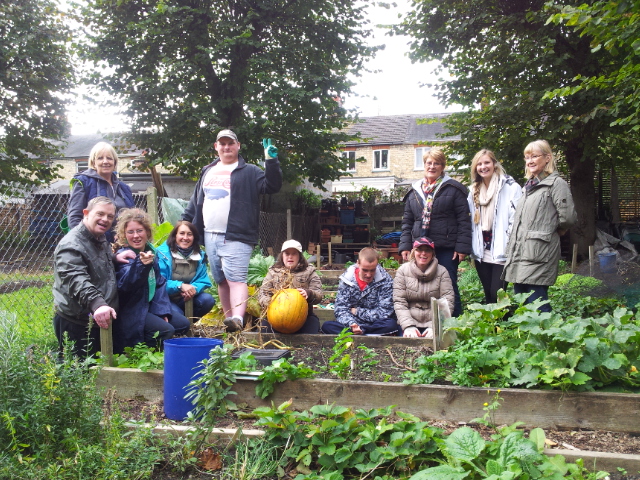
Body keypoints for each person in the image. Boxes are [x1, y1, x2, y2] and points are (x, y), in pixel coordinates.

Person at [182, 130, 282, 332]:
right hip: (210, 234)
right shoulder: (207, 170)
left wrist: (271, 160)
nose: (226, 147)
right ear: (216, 146)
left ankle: (237, 316)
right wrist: (184, 222)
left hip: (237, 234)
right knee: (221, 280)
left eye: (231, 143)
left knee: (236, 278)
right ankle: (231, 322)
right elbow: (196, 201)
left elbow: (272, 186)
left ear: (238, 146)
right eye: (223, 144)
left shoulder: (250, 171)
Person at [503, 140, 577, 312]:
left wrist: (556, 228)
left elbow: (568, 217)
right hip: (521, 251)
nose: (529, 161)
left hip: (539, 252)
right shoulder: (528, 186)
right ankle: (529, 337)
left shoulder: (556, 184)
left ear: (547, 158)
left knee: (537, 301)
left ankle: (548, 336)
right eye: (527, 157)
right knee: (522, 299)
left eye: (534, 156)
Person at [399, 147, 472, 316]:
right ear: (424, 165)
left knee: (448, 285)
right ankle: (427, 323)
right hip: (421, 247)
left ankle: (454, 324)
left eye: (436, 163)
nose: (432, 166)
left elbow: (463, 220)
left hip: (446, 246)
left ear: (442, 166)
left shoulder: (454, 189)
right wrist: (405, 246)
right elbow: (407, 221)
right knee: (422, 287)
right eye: (429, 163)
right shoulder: (414, 191)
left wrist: (462, 247)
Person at [113, 209, 190, 353]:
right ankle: (140, 355)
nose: (135, 236)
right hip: (131, 310)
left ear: (147, 232)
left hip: (147, 305)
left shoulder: (151, 252)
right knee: (166, 331)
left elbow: (160, 284)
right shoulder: (124, 256)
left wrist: (162, 311)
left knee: (183, 324)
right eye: (130, 232)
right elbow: (127, 284)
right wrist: (141, 265)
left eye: (139, 230)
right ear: (124, 235)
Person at [53, 196, 119, 357]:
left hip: (98, 321)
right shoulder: (71, 245)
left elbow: (94, 263)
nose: (105, 219)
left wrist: (115, 259)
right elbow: (76, 279)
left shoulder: (99, 238)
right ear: (86, 213)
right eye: (100, 214)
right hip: (77, 322)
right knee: (77, 373)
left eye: (110, 216)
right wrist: (98, 304)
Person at [467, 149, 522, 304]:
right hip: (481, 250)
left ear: (494, 164)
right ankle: (494, 327)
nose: (483, 167)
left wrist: (509, 244)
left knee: (497, 293)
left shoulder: (510, 187)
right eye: (479, 164)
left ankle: (504, 325)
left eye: (487, 162)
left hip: (501, 249)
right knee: (488, 294)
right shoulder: (472, 191)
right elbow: (469, 220)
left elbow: (516, 219)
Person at [321, 247, 398, 335]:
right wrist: (352, 324)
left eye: (372, 270)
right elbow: (340, 309)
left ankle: (360, 333)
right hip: (351, 323)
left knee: (390, 324)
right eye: (365, 270)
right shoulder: (347, 279)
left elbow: (384, 312)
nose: (368, 275)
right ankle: (368, 335)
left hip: (375, 324)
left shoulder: (386, 280)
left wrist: (357, 311)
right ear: (358, 263)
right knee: (327, 326)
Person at [67, 142, 135, 242]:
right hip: (94, 245)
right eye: (100, 158)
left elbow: (132, 218)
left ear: (115, 162)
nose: (105, 161)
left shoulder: (124, 188)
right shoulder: (83, 182)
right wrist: (90, 243)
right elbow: (74, 219)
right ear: (93, 162)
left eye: (109, 158)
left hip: (122, 245)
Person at [393, 237, 454, 338]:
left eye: (427, 250)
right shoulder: (402, 271)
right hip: (409, 320)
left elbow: (447, 301)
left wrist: (436, 326)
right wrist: (408, 326)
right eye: (419, 250)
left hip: (433, 321)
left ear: (432, 254)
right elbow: (399, 301)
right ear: (413, 252)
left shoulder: (442, 271)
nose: (423, 253)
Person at [258, 240, 323, 334]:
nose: (290, 257)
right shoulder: (273, 272)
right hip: (276, 317)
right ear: (282, 255)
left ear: (299, 256)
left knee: (312, 326)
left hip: (303, 317)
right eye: (287, 253)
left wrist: (309, 294)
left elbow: (319, 294)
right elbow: (262, 294)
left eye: (294, 254)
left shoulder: (309, 271)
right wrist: (271, 302)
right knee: (263, 328)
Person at [157, 221, 215, 322]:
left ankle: (187, 325)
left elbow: (203, 280)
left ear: (194, 237)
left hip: (186, 298)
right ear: (175, 235)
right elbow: (159, 282)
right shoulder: (162, 254)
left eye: (189, 234)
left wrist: (192, 289)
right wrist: (180, 286)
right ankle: (181, 325)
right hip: (165, 299)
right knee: (178, 315)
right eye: (182, 233)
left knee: (207, 300)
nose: (185, 238)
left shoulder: (199, 256)